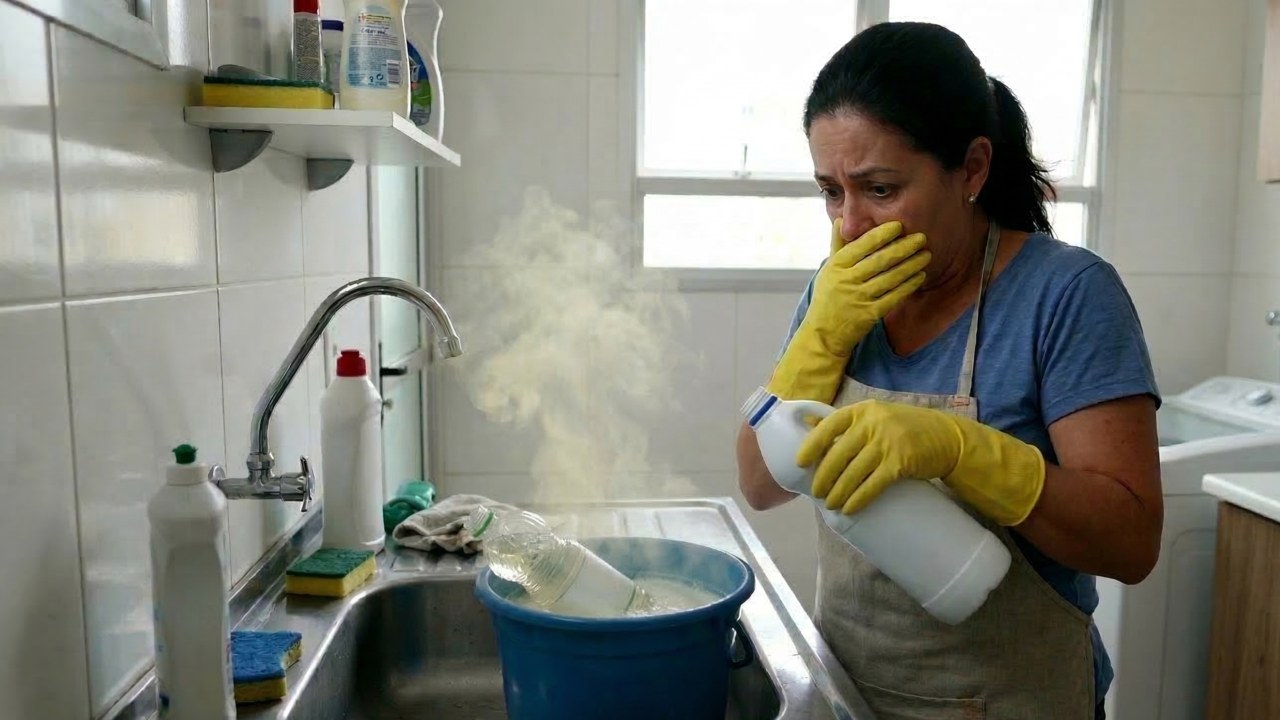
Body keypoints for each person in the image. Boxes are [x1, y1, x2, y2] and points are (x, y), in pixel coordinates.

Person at [735, 22, 1162, 720]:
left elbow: (1131, 542)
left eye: (879, 189)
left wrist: (963, 451)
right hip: (849, 696)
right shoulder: (837, 292)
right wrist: (821, 334)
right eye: (831, 193)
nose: (849, 227)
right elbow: (760, 482)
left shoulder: (1068, 296)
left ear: (971, 168)